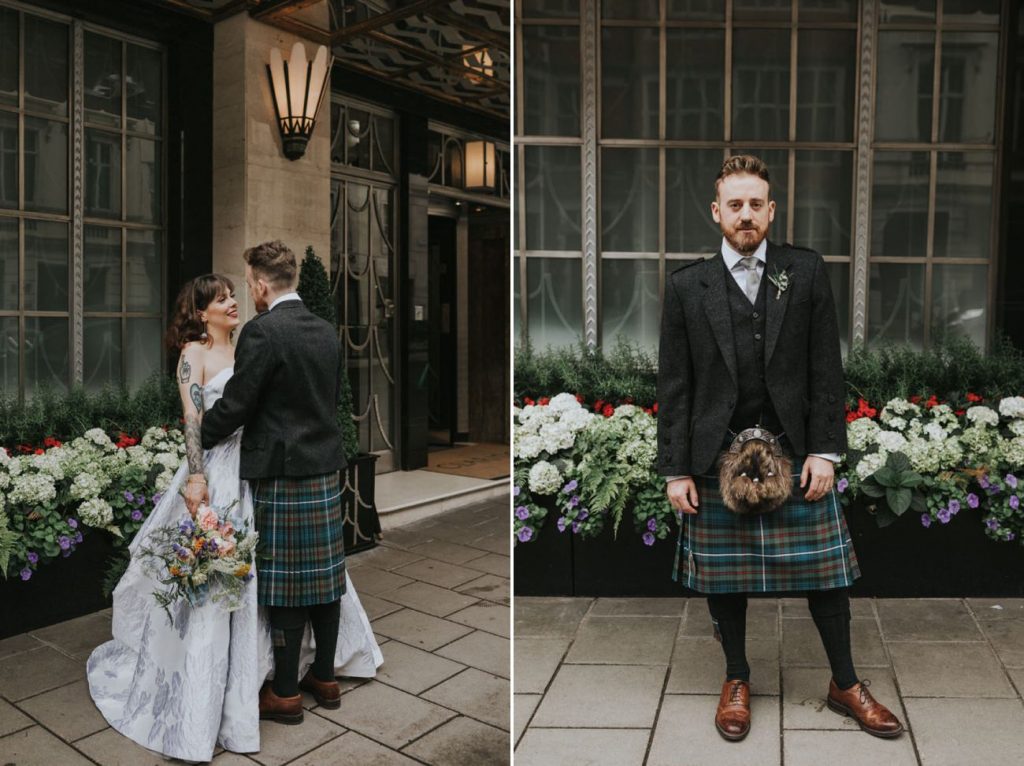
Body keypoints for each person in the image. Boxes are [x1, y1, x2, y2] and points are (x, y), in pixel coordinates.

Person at [87, 270, 381, 763]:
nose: (231, 303)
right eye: (220, 299)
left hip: (261, 469)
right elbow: (193, 419)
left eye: (232, 295)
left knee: (273, 572)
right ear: (200, 312)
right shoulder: (193, 355)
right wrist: (196, 478)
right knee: (223, 576)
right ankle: (217, 682)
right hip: (219, 471)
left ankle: (272, 671)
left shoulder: (250, 344)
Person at [656, 155, 903, 742]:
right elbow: (675, 385)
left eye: (756, 204)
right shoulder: (687, 286)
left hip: (795, 450)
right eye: (735, 205)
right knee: (726, 579)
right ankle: (737, 678)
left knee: (827, 575)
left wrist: (826, 449)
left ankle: (844, 682)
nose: (746, 215)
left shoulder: (805, 271)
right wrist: (676, 470)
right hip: (718, 456)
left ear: (772, 210)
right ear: (717, 212)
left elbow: (826, 370)